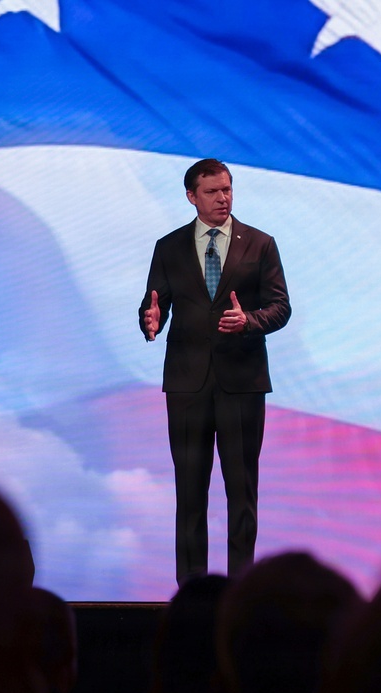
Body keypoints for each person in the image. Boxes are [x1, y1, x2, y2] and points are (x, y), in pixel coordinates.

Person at [139, 158, 291, 586]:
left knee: (241, 493)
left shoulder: (260, 244)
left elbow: (281, 307)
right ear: (192, 196)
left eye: (227, 189)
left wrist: (249, 322)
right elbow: (156, 303)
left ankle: (242, 590)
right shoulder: (168, 247)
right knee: (190, 495)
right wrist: (149, 320)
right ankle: (191, 593)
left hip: (242, 384)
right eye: (212, 191)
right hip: (187, 385)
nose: (223, 198)